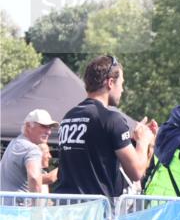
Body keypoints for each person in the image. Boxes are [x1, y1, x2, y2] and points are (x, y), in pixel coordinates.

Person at [55, 56, 156, 198]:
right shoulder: (111, 119)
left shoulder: (69, 117)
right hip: (92, 212)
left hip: (66, 208)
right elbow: (136, 172)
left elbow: (93, 154)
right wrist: (143, 141)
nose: (122, 90)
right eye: (121, 84)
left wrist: (130, 141)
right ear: (110, 82)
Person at [1, 110, 59, 195]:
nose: (49, 132)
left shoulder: (14, 143)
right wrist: (36, 206)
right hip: (20, 206)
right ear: (28, 126)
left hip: (5, 205)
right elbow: (34, 178)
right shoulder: (32, 149)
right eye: (43, 126)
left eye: (49, 127)